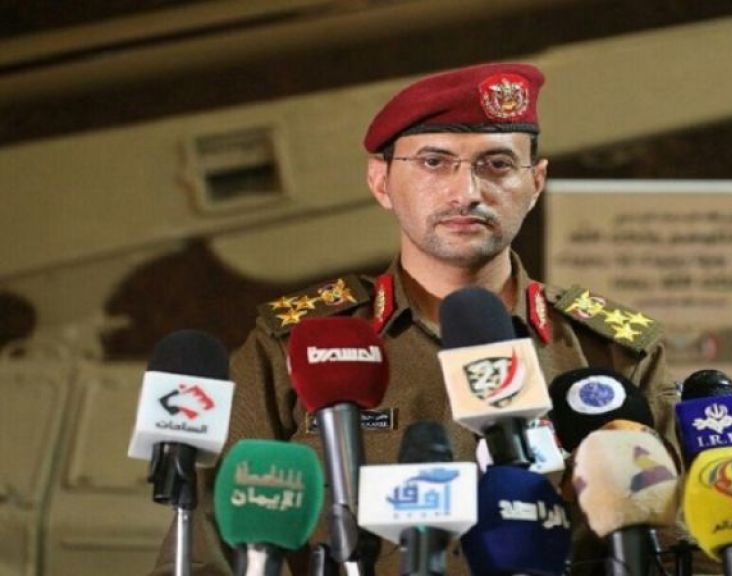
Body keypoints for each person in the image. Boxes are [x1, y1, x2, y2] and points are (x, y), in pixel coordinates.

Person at [152, 62, 680, 576]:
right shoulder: (295, 347)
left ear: (536, 182)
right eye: (434, 162)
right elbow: (208, 552)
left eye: (497, 164)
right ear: (380, 182)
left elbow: (681, 548)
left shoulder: (611, 353)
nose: (467, 192)